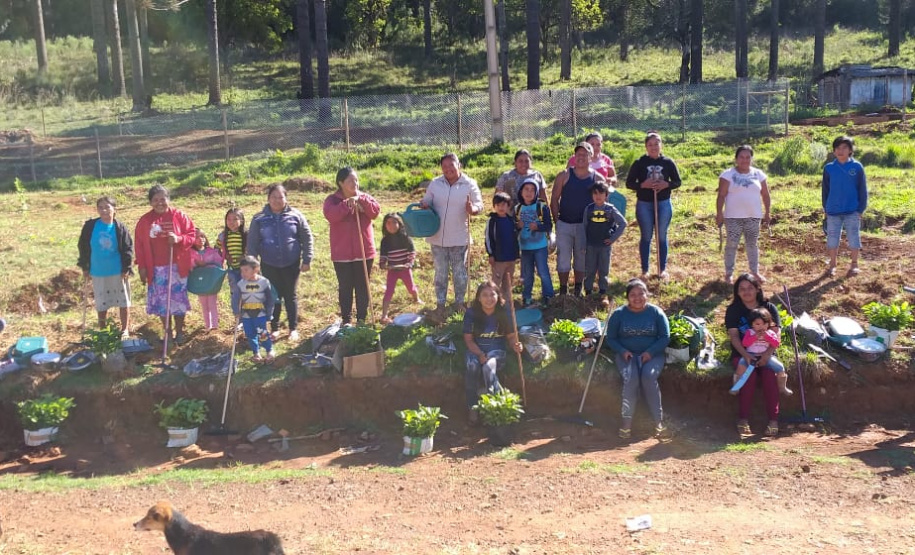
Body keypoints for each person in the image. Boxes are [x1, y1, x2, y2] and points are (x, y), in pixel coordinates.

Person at [247, 184, 314, 342]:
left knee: (290, 295)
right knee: (274, 296)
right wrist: (252, 265)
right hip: (269, 264)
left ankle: (293, 328)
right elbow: (252, 244)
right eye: (274, 197)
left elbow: (307, 237)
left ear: (286, 198)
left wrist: (307, 259)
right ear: (268, 199)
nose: (277, 200)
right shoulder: (259, 219)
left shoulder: (296, 215)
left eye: (280, 197)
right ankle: (275, 328)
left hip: (291, 263)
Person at [605, 279, 671, 440]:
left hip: (652, 356)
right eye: (633, 295)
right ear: (627, 297)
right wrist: (622, 351)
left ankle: (658, 422)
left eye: (641, 293)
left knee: (648, 376)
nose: (637, 298)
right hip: (627, 356)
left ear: (647, 294)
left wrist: (650, 352)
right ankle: (626, 423)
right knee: (631, 379)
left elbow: (665, 337)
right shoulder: (619, 315)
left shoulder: (656, 313)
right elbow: (611, 338)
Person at [420, 153, 484, 315]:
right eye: (444, 166)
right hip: (437, 235)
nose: (448, 169)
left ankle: (459, 302)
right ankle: (440, 304)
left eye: (451, 165)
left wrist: (473, 209)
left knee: (459, 272)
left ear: (459, 165)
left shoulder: (469, 184)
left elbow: (479, 205)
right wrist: (424, 204)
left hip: (459, 236)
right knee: (440, 272)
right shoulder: (435, 183)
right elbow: (427, 200)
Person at [135, 184, 197, 346]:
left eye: (163, 199)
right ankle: (167, 332)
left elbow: (191, 235)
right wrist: (142, 266)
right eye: (155, 200)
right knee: (163, 303)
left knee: (178, 300)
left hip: (177, 266)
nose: (159, 203)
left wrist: (179, 239)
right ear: (150, 202)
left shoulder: (179, 216)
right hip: (156, 269)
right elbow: (139, 245)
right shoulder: (145, 221)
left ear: (168, 199)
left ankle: (180, 331)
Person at [725, 273, 783, 436]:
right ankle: (743, 419)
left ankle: (773, 420)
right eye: (742, 289)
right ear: (737, 292)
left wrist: (766, 355)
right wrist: (745, 355)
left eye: (750, 288)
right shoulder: (733, 310)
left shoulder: (769, 308)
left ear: (757, 289)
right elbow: (735, 337)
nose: (746, 292)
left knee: (769, 375)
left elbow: (776, 334)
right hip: (743, 354)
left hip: (767, 354)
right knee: (748, 377)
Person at [323, 167, 381, 325]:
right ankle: (346, 319)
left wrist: (361, 201)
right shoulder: (332, 200)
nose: (354, 183)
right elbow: (331, 215)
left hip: (364, 251)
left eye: (356, 179)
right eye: (350, 180)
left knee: (363, 286)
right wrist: (347, 205)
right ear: (341, 183)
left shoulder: (364, 197)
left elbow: (375, 212)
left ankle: (361, 319)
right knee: (345, 287)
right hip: (341, 253)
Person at [551, 142, 607, 296]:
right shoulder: (564, 175)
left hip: (585, 227)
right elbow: (554, 199)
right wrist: (557, 222)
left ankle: (578, 288)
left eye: (585, 154)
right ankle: (563, 291)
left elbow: (604, 203)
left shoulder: (598, 178)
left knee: (581, 258)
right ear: (574, 157)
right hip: (565, 223)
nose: (581, 157)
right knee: (563, 257)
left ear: (591, 157)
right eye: (578, 154)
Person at [462, 281, 523, 423]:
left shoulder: (504, 312)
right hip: (476, 349)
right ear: (478, 297)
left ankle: (496, 407)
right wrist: (479, 354)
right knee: (472, 366)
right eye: (484, 295)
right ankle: (473, 406)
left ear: (498, 296)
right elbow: (469, 340)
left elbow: (511, 337)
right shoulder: (471, 313)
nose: (489, 299)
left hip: (497, 350)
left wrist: (516, 345)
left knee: (489, 368)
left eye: (492, 294)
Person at [626, 131, 682, 281]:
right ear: (646, 147)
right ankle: (645, 270)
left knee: (661, 236)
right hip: (644, 204)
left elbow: (678, 181)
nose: (653, 147)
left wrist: (667, 184)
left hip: (663, 203)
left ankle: (662, 269)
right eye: (650, 144)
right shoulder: (639, 163)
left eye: (656, 143)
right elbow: (629, 183)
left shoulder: (668, 162)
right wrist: (643, 184)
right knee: (646, 236)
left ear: (661, 145)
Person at [77, 196, 134, 338]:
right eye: (100, 207)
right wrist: (85, 266)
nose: (104, 210)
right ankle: (103, 330)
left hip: (117, 270)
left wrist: (126, 268)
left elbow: (128, 248)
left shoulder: (120, 228)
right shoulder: (90, 226)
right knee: (102, 303)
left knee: (123, 300)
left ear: (115, 209)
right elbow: (83, 246)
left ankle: (124, 329)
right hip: (98, 271)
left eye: (107, 207)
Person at [716, 145, 771, 285]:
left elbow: (765, 194)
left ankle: (754, 272)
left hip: (753, 216)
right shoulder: (727, 175)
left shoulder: (758, 174)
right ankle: (729, 273)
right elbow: (721, 195)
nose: (744, 160)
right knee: (731, 244)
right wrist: (719, 213)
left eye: (747, 157)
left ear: (751, 159)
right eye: (741, 157)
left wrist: (767, 212)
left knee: (752, 244)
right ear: (736, 159)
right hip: (733, 217)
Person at [822, 135, 867, 277]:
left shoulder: (857, 167)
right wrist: (826, 209)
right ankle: (833, 264)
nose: (840, 151)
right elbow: (825, 190)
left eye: (844, 148)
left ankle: (854, 264)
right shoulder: (829, 168)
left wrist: (861, 209)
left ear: (850, 150)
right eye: (837, 148)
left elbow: (862, 189)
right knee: (832, 238)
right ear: (834, 151)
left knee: (854, 236)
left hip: (852, 210)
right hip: (833, 210)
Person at [582, 181, 627, 307]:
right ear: (592, 195)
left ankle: (603, 292)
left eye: (601, 193)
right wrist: (583, 244)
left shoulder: (610, 209)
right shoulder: (589, 209)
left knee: (603, 269)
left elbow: (623, 223)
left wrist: (612, 239)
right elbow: (584, 227)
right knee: (589, 269)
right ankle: (588, 292)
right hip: (591, 245)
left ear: (606, 195)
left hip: (604, 246)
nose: (598, 196)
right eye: (595, 193)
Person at [514, 178, 554, 307]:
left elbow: (549, 225)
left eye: (532, 190)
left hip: (540, 246)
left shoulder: (541, 206)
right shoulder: (517, 208)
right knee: (527, 274)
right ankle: (527, 297)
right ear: (521, 192)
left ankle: (548, 295)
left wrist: (538, 227)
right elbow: (514, 228)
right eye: (526, 189)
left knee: (543, 271)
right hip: (525, 247)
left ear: (536, 192)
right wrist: (518, 226)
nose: (529, 193)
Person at [732, 307, 791, 396]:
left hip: (765, 356)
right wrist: (755, 337)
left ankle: (782, 387)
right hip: (751, 355)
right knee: (741, 366)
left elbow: (776, 344)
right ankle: (736, 387)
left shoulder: (770, 333)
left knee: (780, 367)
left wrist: (768, 337)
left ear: (768, 324)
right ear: (752, 324)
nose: (761, 327)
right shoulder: (750, 332)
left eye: (764, 324)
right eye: (758, 324)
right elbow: (745, 343)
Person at [379, 213, 422, 325]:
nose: (391, 225)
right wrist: (383, 263)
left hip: (404, 269)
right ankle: (384, 315)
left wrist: (409, 263)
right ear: (384, 225)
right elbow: (383, 256)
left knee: (411, 287)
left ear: (399, 224)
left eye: (394, 222)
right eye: (388, 223)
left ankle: (416, 298)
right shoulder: (385, 241)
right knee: (389, 291)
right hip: (392, 270)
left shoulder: (405, 237)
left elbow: (412, 252)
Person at [237, 256, 276, 363]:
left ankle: (269, 350)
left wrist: (269, 313)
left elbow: (270, 299)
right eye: (241, 270)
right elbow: (236, 299)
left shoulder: (264, 282)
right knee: (250, 334)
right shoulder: (241, 284)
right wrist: (237, 311)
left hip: (260, 314)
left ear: (256, 269)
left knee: (262, 333)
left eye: (246, 270)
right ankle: (256, 353)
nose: (243, 273)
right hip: (246, 315)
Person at [485, 192, 519, 301]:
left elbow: (515, 237)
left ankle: (507, 303)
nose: (501, 207)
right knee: (496, 281)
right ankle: (493, 301)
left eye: (504, 205)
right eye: (498, 205)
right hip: (498, 258)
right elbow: (488, 238)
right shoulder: (492, 221)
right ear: (494, 206)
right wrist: (491, 254)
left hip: (511, 258)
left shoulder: (511, 220)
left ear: (508, 206)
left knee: (508, 281)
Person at [189, 230, 224, 332]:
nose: (201, 239)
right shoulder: (191, 253)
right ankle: (207, 326)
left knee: (212, 303)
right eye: (197, 237)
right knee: (204, 305)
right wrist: (196, 265)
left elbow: (219, 263)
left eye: (203, 236)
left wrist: (206, 265)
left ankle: (215, 327)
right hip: (200, 284)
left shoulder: (212, 252)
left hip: (211, 283)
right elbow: (189, 267)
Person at [216, 208, 246, 322]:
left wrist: (243, 257)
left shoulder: (246, 235)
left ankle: (247, 318)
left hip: (245, 270)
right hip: (232, 269)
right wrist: (224, 256)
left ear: (241, 221)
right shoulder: (223, 236)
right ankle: (238, 318)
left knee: (245, 293)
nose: (231, 222)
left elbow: (251, 250)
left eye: (235, 219)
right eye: (228, 219)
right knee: (235, 292)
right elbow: (217, 249)